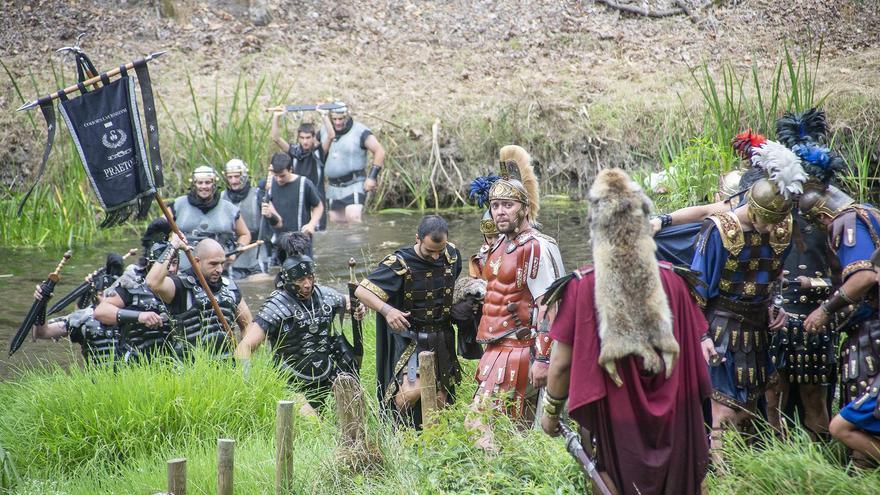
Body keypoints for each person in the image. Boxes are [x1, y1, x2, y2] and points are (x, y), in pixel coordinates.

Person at [541, 168, 711, 495]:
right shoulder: (675, 281)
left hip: (616, 420)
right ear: (643, 225)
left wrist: (550, 412)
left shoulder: (583, 285)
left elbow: (561, 363)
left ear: (597, 228)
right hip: (674, 418)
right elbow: (695, 359)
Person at [690, 139, 805, 464]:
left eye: (776, 222)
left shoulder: (780, 229)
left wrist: (777, 305)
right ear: (753, 209)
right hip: (722, 328)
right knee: (723, 414)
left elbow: (774, 279)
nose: (771, 229)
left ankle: (747, 475)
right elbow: (695, 291)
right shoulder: (719, 231)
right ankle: (723, 479)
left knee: (751, 413)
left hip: (758, 330)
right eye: (765, 221)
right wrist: (702, 336)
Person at [471, 145, 565, 424]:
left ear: (524, 209)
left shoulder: (535, 247)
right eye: (496, 206)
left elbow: (549, 305)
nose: (500, 212)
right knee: (503, 431)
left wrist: (544, 359)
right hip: (495, 349)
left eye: (508, 206)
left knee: (480, 427)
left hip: (521, 350)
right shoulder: (498, 244)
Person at [798, 183, 880, 468]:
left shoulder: (848, 222)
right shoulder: (871, 212)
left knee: (857, 426)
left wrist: (824, 310)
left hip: (873, 332)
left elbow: (865, 278)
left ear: (822, 216)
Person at [355, 215, 464, 428]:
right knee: (408, 394)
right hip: (410, 338)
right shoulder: (399, 263)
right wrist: (388, 311)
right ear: (417, 239)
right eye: (429, 251)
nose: (435, 257)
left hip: (441, 336)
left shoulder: (451, 255)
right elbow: (362, 290)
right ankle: (396, 438)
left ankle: (433, 446)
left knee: (441, 398)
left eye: (438, 251)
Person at [235, 247, 365, 411]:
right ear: (288, 281)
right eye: (301, 280)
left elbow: (351, 302)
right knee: (314, 425)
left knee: (355, 406)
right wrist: (247, 382)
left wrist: (359, 307)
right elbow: (244, 347)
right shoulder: (275, 307)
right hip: (290, 382)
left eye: (310, 278)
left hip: (327, 374)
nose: (307, 284)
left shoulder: (326, 295)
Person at [146, 237, 252, 359]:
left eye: (222, 263)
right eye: (213, 264)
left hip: (227, 366)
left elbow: (247, 325)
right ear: (196, 261)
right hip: (188, 369)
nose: (219, 270)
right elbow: (152, 282)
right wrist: (173, 245)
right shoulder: (180, 285)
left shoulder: (231, 288)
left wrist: (243, 358)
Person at [94, 237, 178, 362]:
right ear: (151, 263)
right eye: (167, 263)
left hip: (174, 360)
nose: (171, 268)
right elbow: (100, 312)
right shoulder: (132, 284)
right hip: (134, 360)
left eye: (175, 263)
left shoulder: (182, 284)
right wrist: (140, 316)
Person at [171, 165, 251, 271]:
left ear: (214, 184)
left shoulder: (229, 208)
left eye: (208, 182)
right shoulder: (178, 205)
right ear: (194, 184)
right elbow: (160, 228)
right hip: (184, 267)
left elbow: (245, 234)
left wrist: (236, 252)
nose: (204, 186)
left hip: (219, 268)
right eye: (200, 183)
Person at [32, 276, 123, 365]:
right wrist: (42, 304)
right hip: (95, 378)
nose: (105, 299)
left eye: (110, 294)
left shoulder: (133, 314)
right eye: (101, 294)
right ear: (95, 295)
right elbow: (42, 333)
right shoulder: (83, 318)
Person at [322, 102, 386, 223]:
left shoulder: (360, 131)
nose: (337, 122)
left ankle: (360, 242)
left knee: (353, 217)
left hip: (354, 183)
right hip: (333, 186)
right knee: (336, 222)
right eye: (334, 119)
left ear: (347, 116)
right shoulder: (324, 131)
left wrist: (372, 177)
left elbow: (380, 151)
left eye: (341, 119)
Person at [271, 109, 333, 231]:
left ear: (313, 137)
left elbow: (331, 135)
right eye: (302, 138)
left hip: (316, 197)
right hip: (298, 197)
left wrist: (324, 115)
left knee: (319, 232)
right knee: (299, 229)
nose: (305, 141)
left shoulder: (319, 152)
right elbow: (276, 138)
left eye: (308, 138)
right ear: (298, 138)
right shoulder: (294, 151)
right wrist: (276, 117)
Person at [261, 153, 324, 259]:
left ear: (290, 169)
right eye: (276, 175)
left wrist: (311, 225)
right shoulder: (268, 185)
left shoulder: (304, 184)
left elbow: (319, 206)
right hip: (278, 241)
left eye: (282, 175)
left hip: (300, 241)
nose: (279, 179)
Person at [220, 159, 262, 278]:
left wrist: (270, 215)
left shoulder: (258, 195)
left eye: (237, 176)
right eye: (230, 177)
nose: (233, 181)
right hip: (229, 254)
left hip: (256, 253)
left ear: (244, 176)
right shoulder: (220, 198)